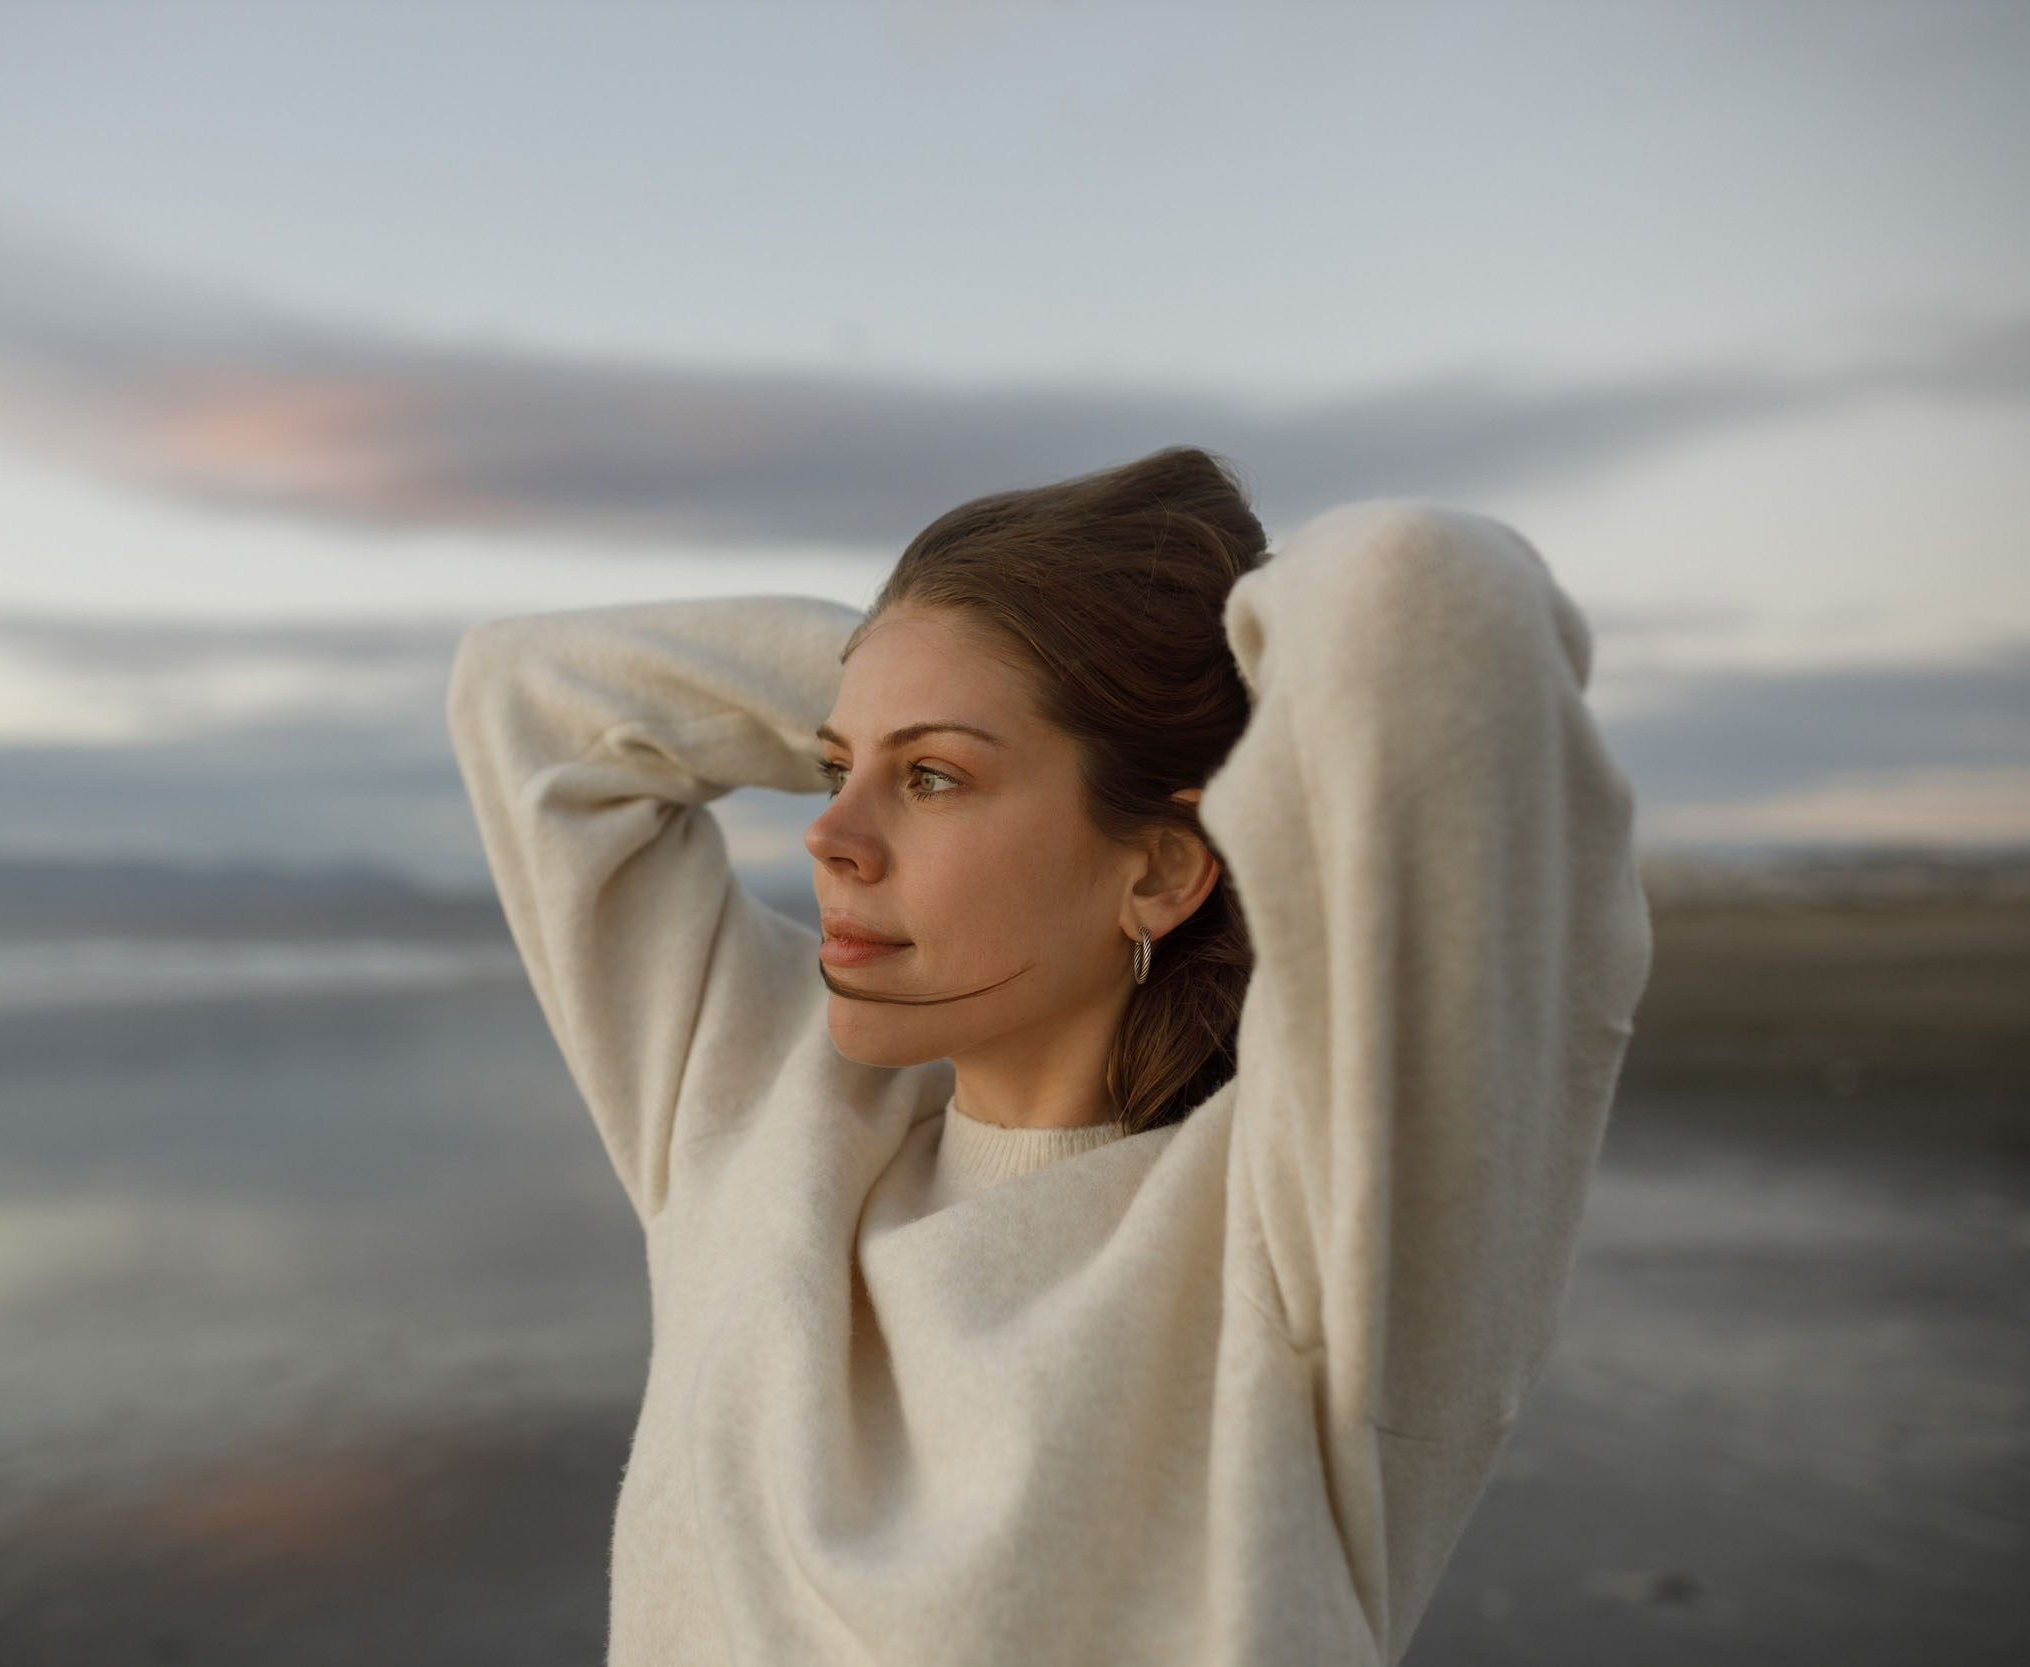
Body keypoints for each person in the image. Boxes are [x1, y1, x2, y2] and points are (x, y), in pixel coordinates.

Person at [444, 445, 1654, 1664]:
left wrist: (1136, 687)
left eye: (930, 777)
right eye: (829, 766)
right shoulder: (763, 1114)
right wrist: (916, 664)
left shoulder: (1308, 1242)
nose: (828, 834)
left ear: (1159, 866)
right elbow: (527, 692)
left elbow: (1420, 596)